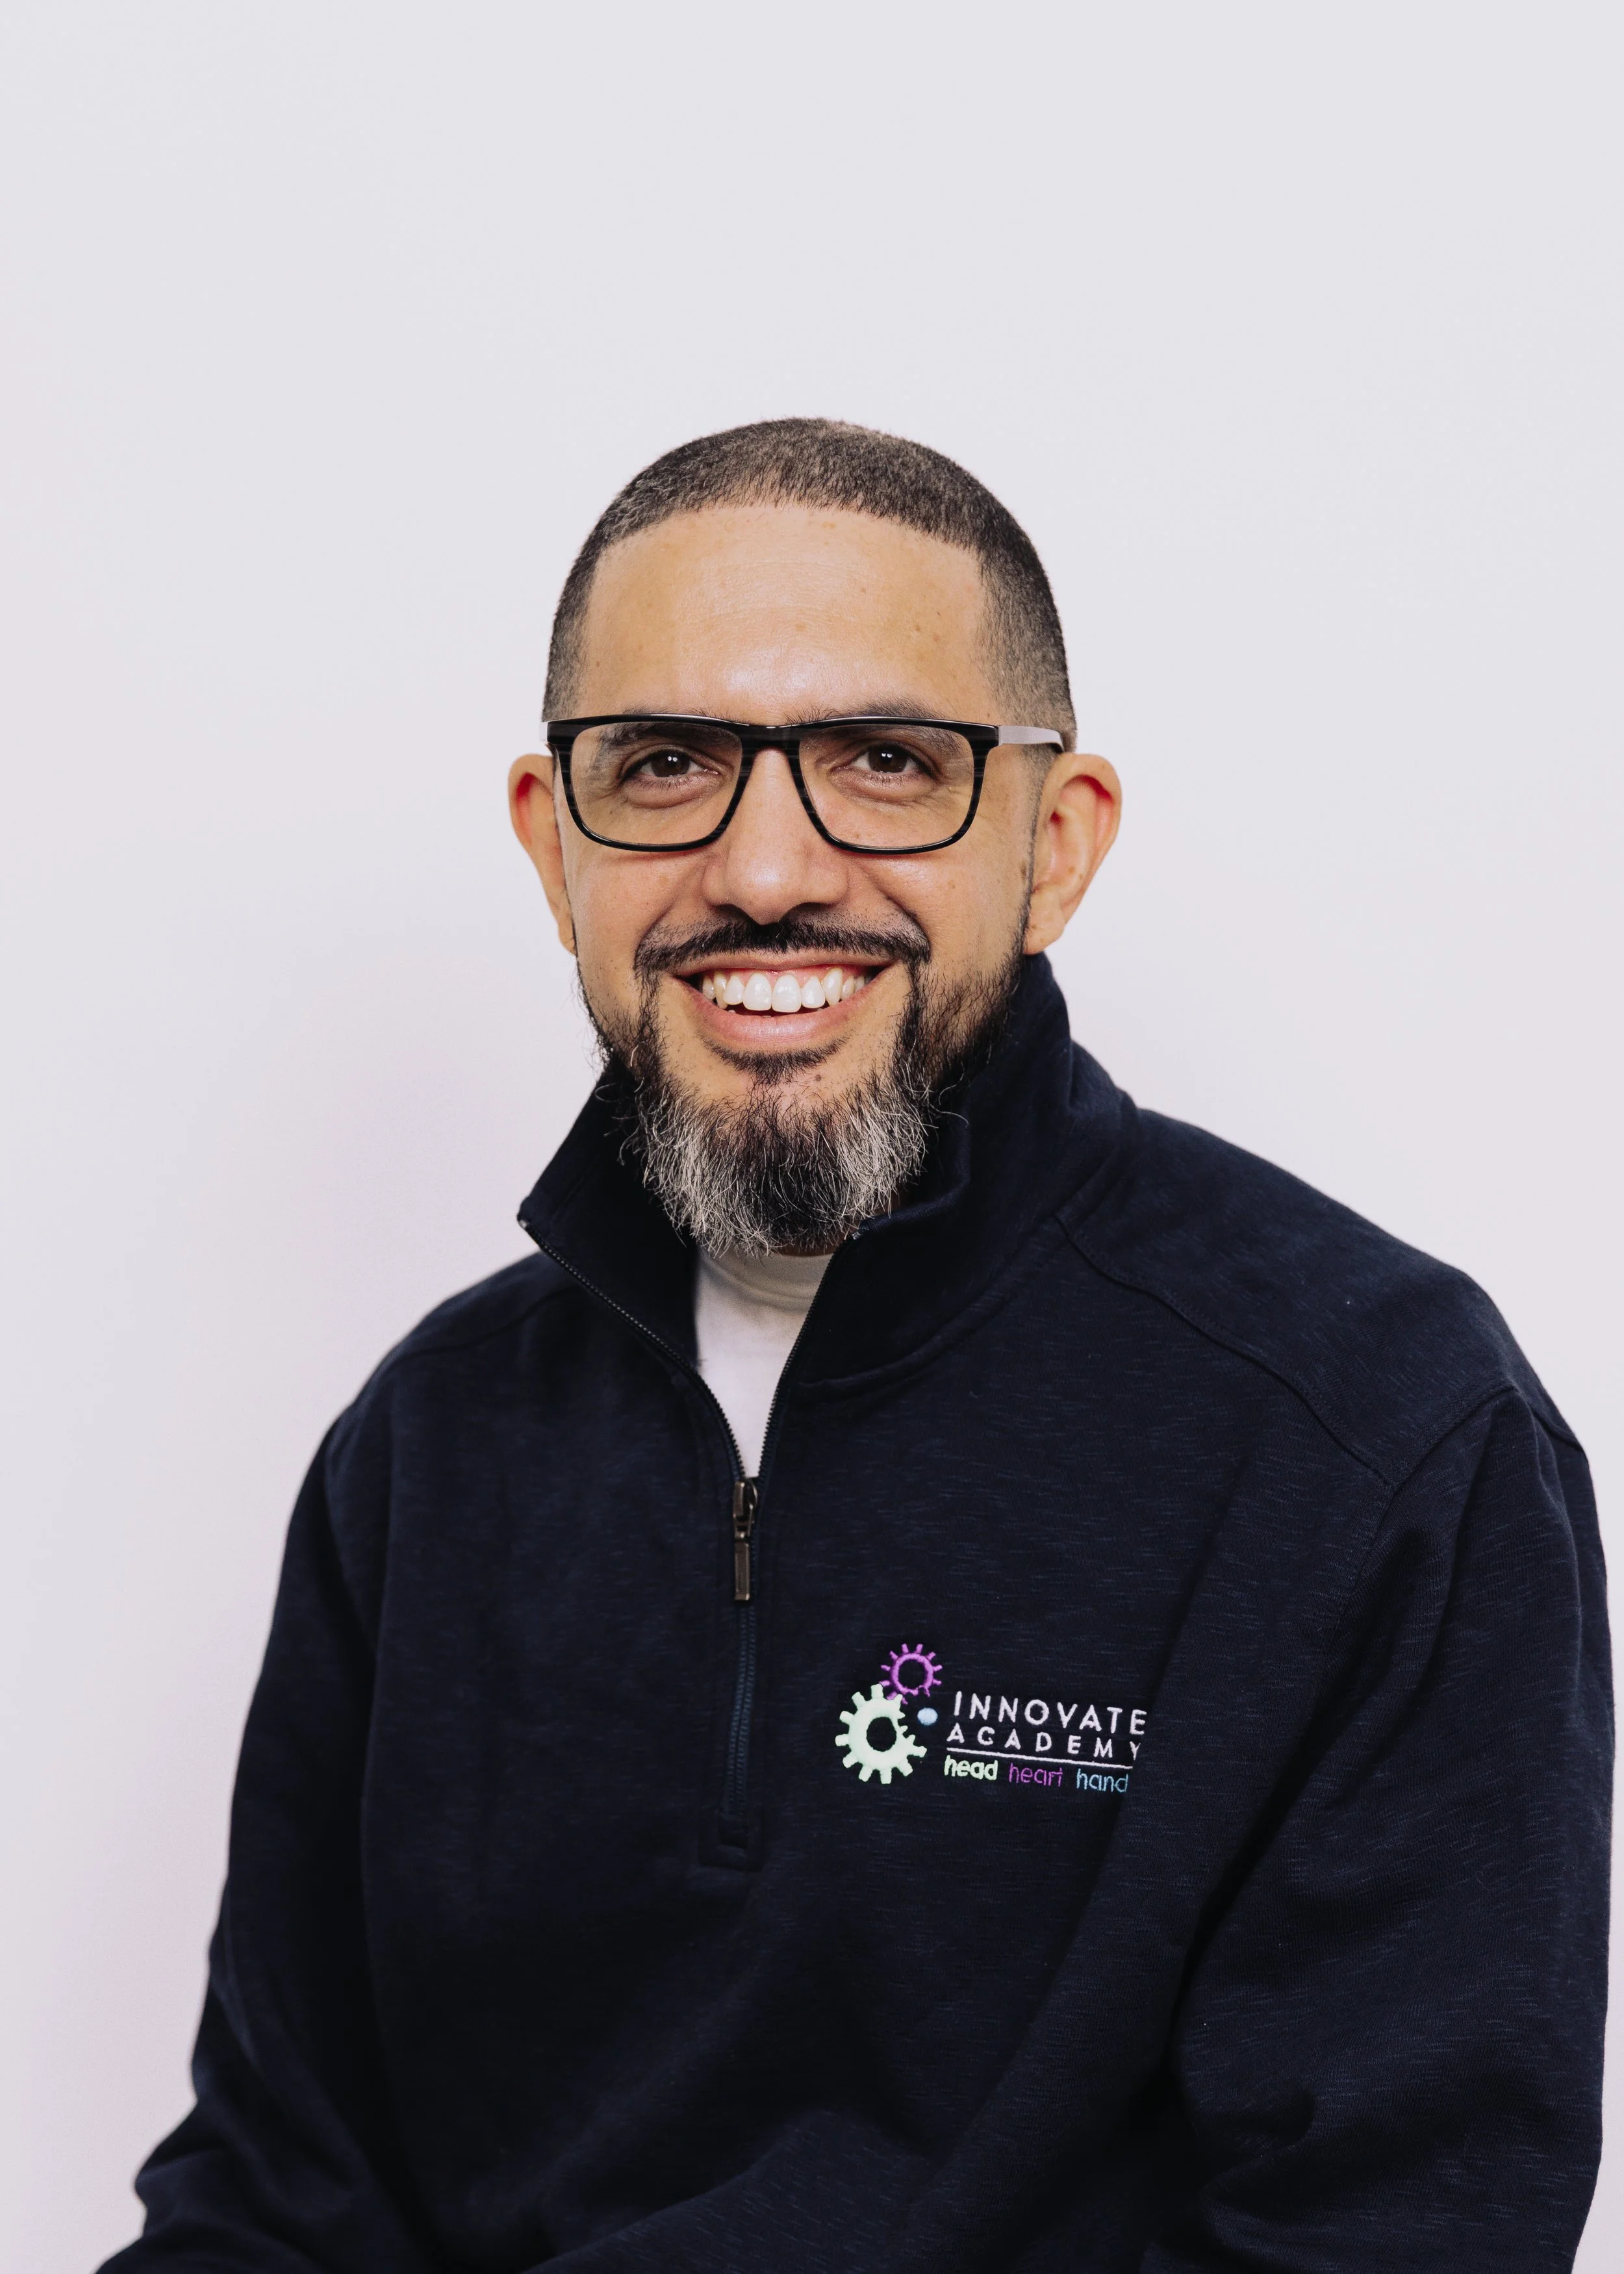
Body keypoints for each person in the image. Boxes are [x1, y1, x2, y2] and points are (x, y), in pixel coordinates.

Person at [103, 420, 1610, 2273]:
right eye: (660, 764)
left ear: (1054, 845)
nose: (758, 870)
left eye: (884, 763)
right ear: (551, 839)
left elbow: (1392, 2231)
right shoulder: (428, 1447)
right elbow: (273, 2199)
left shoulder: (1377, 1431)